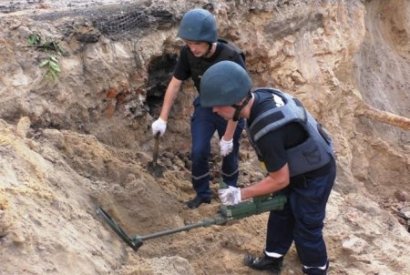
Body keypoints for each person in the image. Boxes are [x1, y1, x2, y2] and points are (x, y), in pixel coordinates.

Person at [199, 60, 336, 275]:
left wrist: (240, 194)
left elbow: (280, 180)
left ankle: (316, 269)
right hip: (295, 164)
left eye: (218, 104)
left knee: (306, 226)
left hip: (314, 174)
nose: (214, 109)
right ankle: (273, 259)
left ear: (236, 100)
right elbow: (235, 115)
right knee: (281, 212)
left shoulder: (268, 131)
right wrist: (228, 137)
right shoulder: (258, 97)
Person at [151, 8, 246, 209]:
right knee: (198, 150)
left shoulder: (232, 56)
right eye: (189, 43)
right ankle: (202, 194)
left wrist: (228, 136)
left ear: (210, 39)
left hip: (231, 110)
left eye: (197, 43)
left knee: (229, 153)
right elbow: (175, 83)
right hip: (205, 105)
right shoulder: (187, 54)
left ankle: (229, 191)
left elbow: (241, 100)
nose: (192, 48)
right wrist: (163, 118)